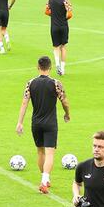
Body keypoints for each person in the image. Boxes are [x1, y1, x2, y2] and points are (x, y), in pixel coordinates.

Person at [16, 56, 71, 194]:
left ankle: (44, 179)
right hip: (50, 123)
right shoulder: (56, 83)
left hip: (36, 123)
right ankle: (44, 181)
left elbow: (24, 103)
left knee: (40, 151)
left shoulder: (30, 83)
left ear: (38, 67)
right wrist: (67, 113)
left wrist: (20, 122)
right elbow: (64, 101)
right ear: (50, 67)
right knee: (50, 152)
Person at [46, 0, 73, 76]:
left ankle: (57, 64)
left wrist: (53, 16)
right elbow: (69, 14)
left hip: (54, 26)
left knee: (56, 47)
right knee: (63, 47)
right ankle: (62, 68)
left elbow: (46, 11)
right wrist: (64, 18)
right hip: (64, 26)